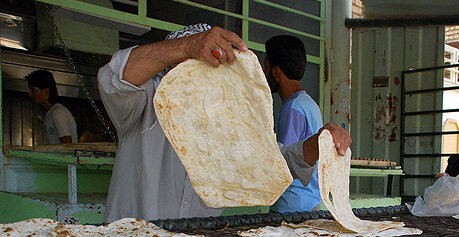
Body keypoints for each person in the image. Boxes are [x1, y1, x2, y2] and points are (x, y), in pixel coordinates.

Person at [97, 24, 351, 223]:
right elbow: (114, 77)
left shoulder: (228, 122)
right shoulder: (144, 103)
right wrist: (186, 46)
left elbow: (274, 161)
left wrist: (319, 143)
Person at [264, 35, 323, 213]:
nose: (263, 74)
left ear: (276, 72)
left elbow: (284, 165)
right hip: (310, 201)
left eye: (265, 67)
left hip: (292, 207)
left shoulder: (292, 108)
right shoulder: (309, 104)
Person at [26, 70, 78, 145]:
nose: (29, 94)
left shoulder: (58, 113)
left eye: (33, 90)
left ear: (45, 92)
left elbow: (68, 146)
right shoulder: (51, 113)